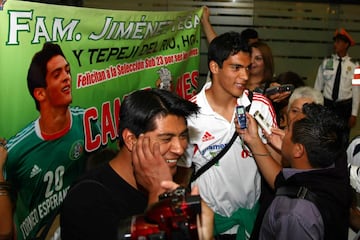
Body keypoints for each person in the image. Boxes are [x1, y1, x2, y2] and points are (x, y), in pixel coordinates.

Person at [60, 89, 214, 240]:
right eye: (166, 139)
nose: (179, 149)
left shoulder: (172, 187)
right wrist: (158, 192)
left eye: (183, 136)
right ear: (131, 140)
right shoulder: (87, 199)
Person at [177, 31, 279, 239]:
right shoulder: (189, 114)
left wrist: (256, 141)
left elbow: (278, 170)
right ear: (214, 67)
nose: (244, 76)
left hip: (251, 219)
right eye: (236, 68)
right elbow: (182, 174)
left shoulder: (259, 106)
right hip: (209, 224)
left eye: (247, 68)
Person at [0, 42, 103, 240]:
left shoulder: (87, 123)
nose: (67, 77)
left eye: (67, 71)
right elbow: (4, 229)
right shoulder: (15, 150)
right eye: (57, 75)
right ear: (40, 93)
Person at [238, 103, 351, 240]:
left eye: (288, 130)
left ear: (299, 150)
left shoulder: (293, 214)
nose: (283, 132)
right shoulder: (336, 159)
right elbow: (285, 183)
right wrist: (257, 142)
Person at [314, 28, 359, 142]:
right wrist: (316, 107)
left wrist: (354, 114)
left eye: (338, 42)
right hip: (327, 105)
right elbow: (318, 86)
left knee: (342, 138)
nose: (335, 45)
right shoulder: (326, 62)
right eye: (335, 42)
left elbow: (356, 90)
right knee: (325, 136)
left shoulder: (355, 66)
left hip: (344, 108)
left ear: (346, 44)